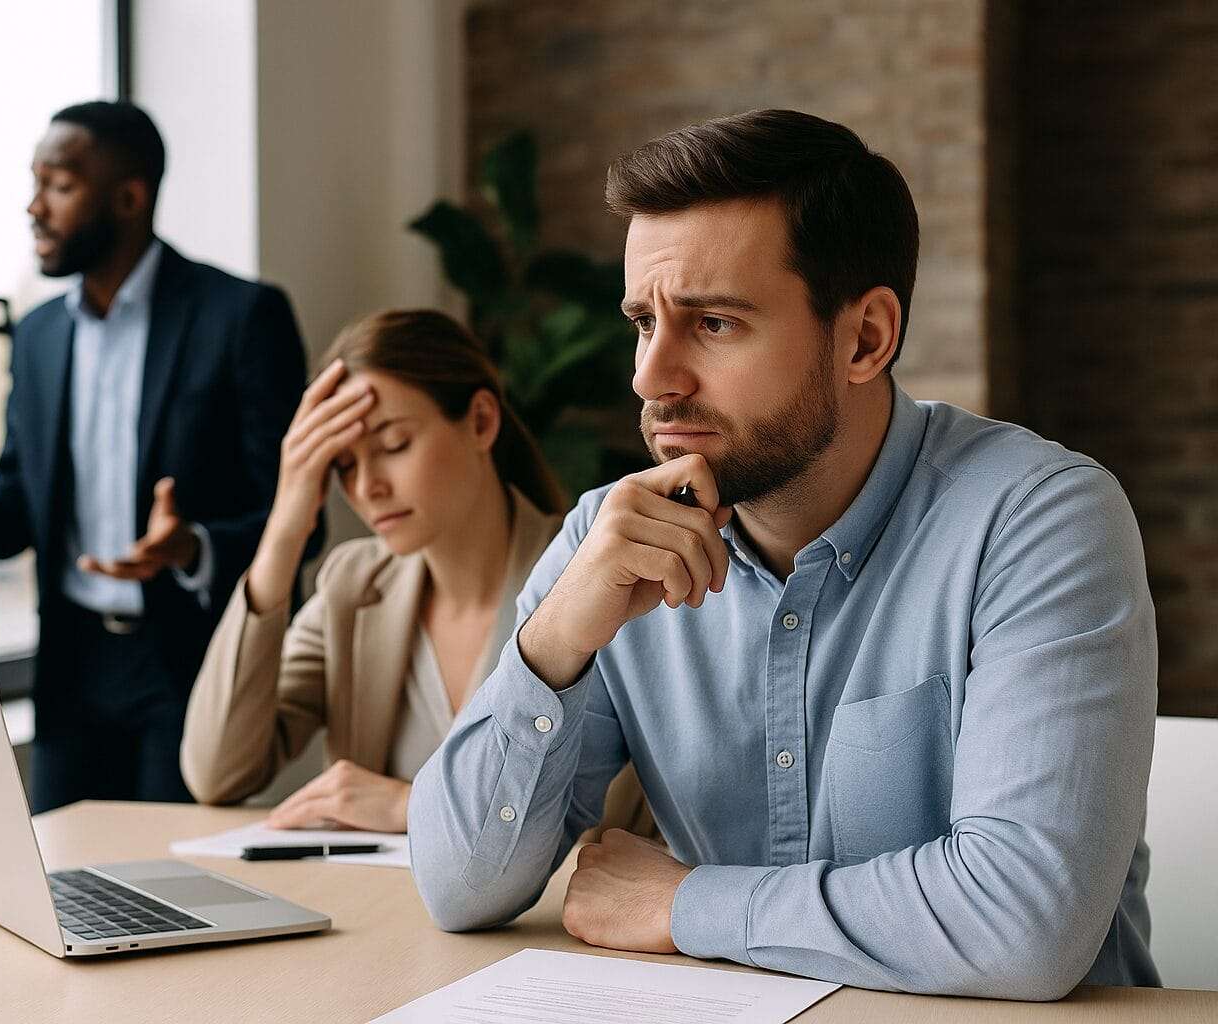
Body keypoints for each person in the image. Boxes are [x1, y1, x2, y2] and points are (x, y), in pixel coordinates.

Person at [408, 110, 1160, 1000]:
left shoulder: (1038, 521)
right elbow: (458, 885)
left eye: (714, 323)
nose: (653, 376)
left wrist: (687, 904)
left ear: (866, 339)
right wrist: (556, 637)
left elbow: (1024, 927)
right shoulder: (608, 541)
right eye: (643, 321)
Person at [0, 101, 311, 811]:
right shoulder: (40, 335)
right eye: (34, 183)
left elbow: (296, 520)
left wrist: (192, 547)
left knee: (181, 899)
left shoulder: (240, 316)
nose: (33, 207)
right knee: (64, 892)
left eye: (58, 184)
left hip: (193, 664)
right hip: (73, 668)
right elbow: (19, 508)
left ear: (129, 196)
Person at [180, 310, 652, 838]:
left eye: (392, 446)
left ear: (480, 421)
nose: (368, 488)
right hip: (376, 914)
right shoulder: (352, 587)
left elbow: (618, 814)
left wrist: (412, 807)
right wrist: (285, 528)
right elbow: (217, 772)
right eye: (345, 466)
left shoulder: (597, 580)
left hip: (549, 920)